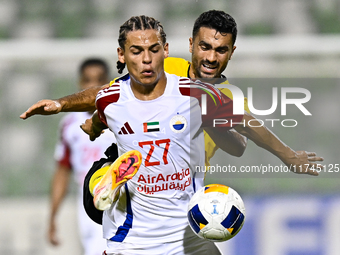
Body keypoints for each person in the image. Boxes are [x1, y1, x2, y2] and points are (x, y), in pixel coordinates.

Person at [76, 15, 323, 255]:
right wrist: (87, 119)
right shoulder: (166, 67)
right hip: (133, 180)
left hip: (179, 190)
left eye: (221, 50)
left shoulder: (228, 98)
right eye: (205, 47)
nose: (211, 57)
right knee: (113, 180)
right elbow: (112, 93)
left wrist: (206, 118)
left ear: (232, 52)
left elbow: (239, 147)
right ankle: (106, 180)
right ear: (191, 45)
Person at [48, 58, 116, 255]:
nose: (93, 85)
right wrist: (53, 216)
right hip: (87, 203)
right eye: (88, 80)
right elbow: (62, 171)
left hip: (119, 199)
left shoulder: (119, 117)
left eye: (99, 79)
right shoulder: (69, 125)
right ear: (80, 84)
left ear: (108, 82)